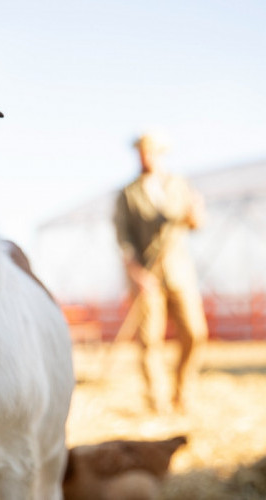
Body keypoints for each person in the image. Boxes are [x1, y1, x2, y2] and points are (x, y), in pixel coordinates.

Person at [113, 132, 208, 413]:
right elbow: (124, 240)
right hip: (146, 277)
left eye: (152, 151)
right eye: (142, 151)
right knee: (150, 340)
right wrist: (137, 274)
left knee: (194, 333)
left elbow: (196, 222)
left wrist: (195, 214)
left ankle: (183, 392)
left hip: (179, 272)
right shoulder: (128, 194)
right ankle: (157, 401)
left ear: (161, 154)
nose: (147, 156)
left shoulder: (179, 185)